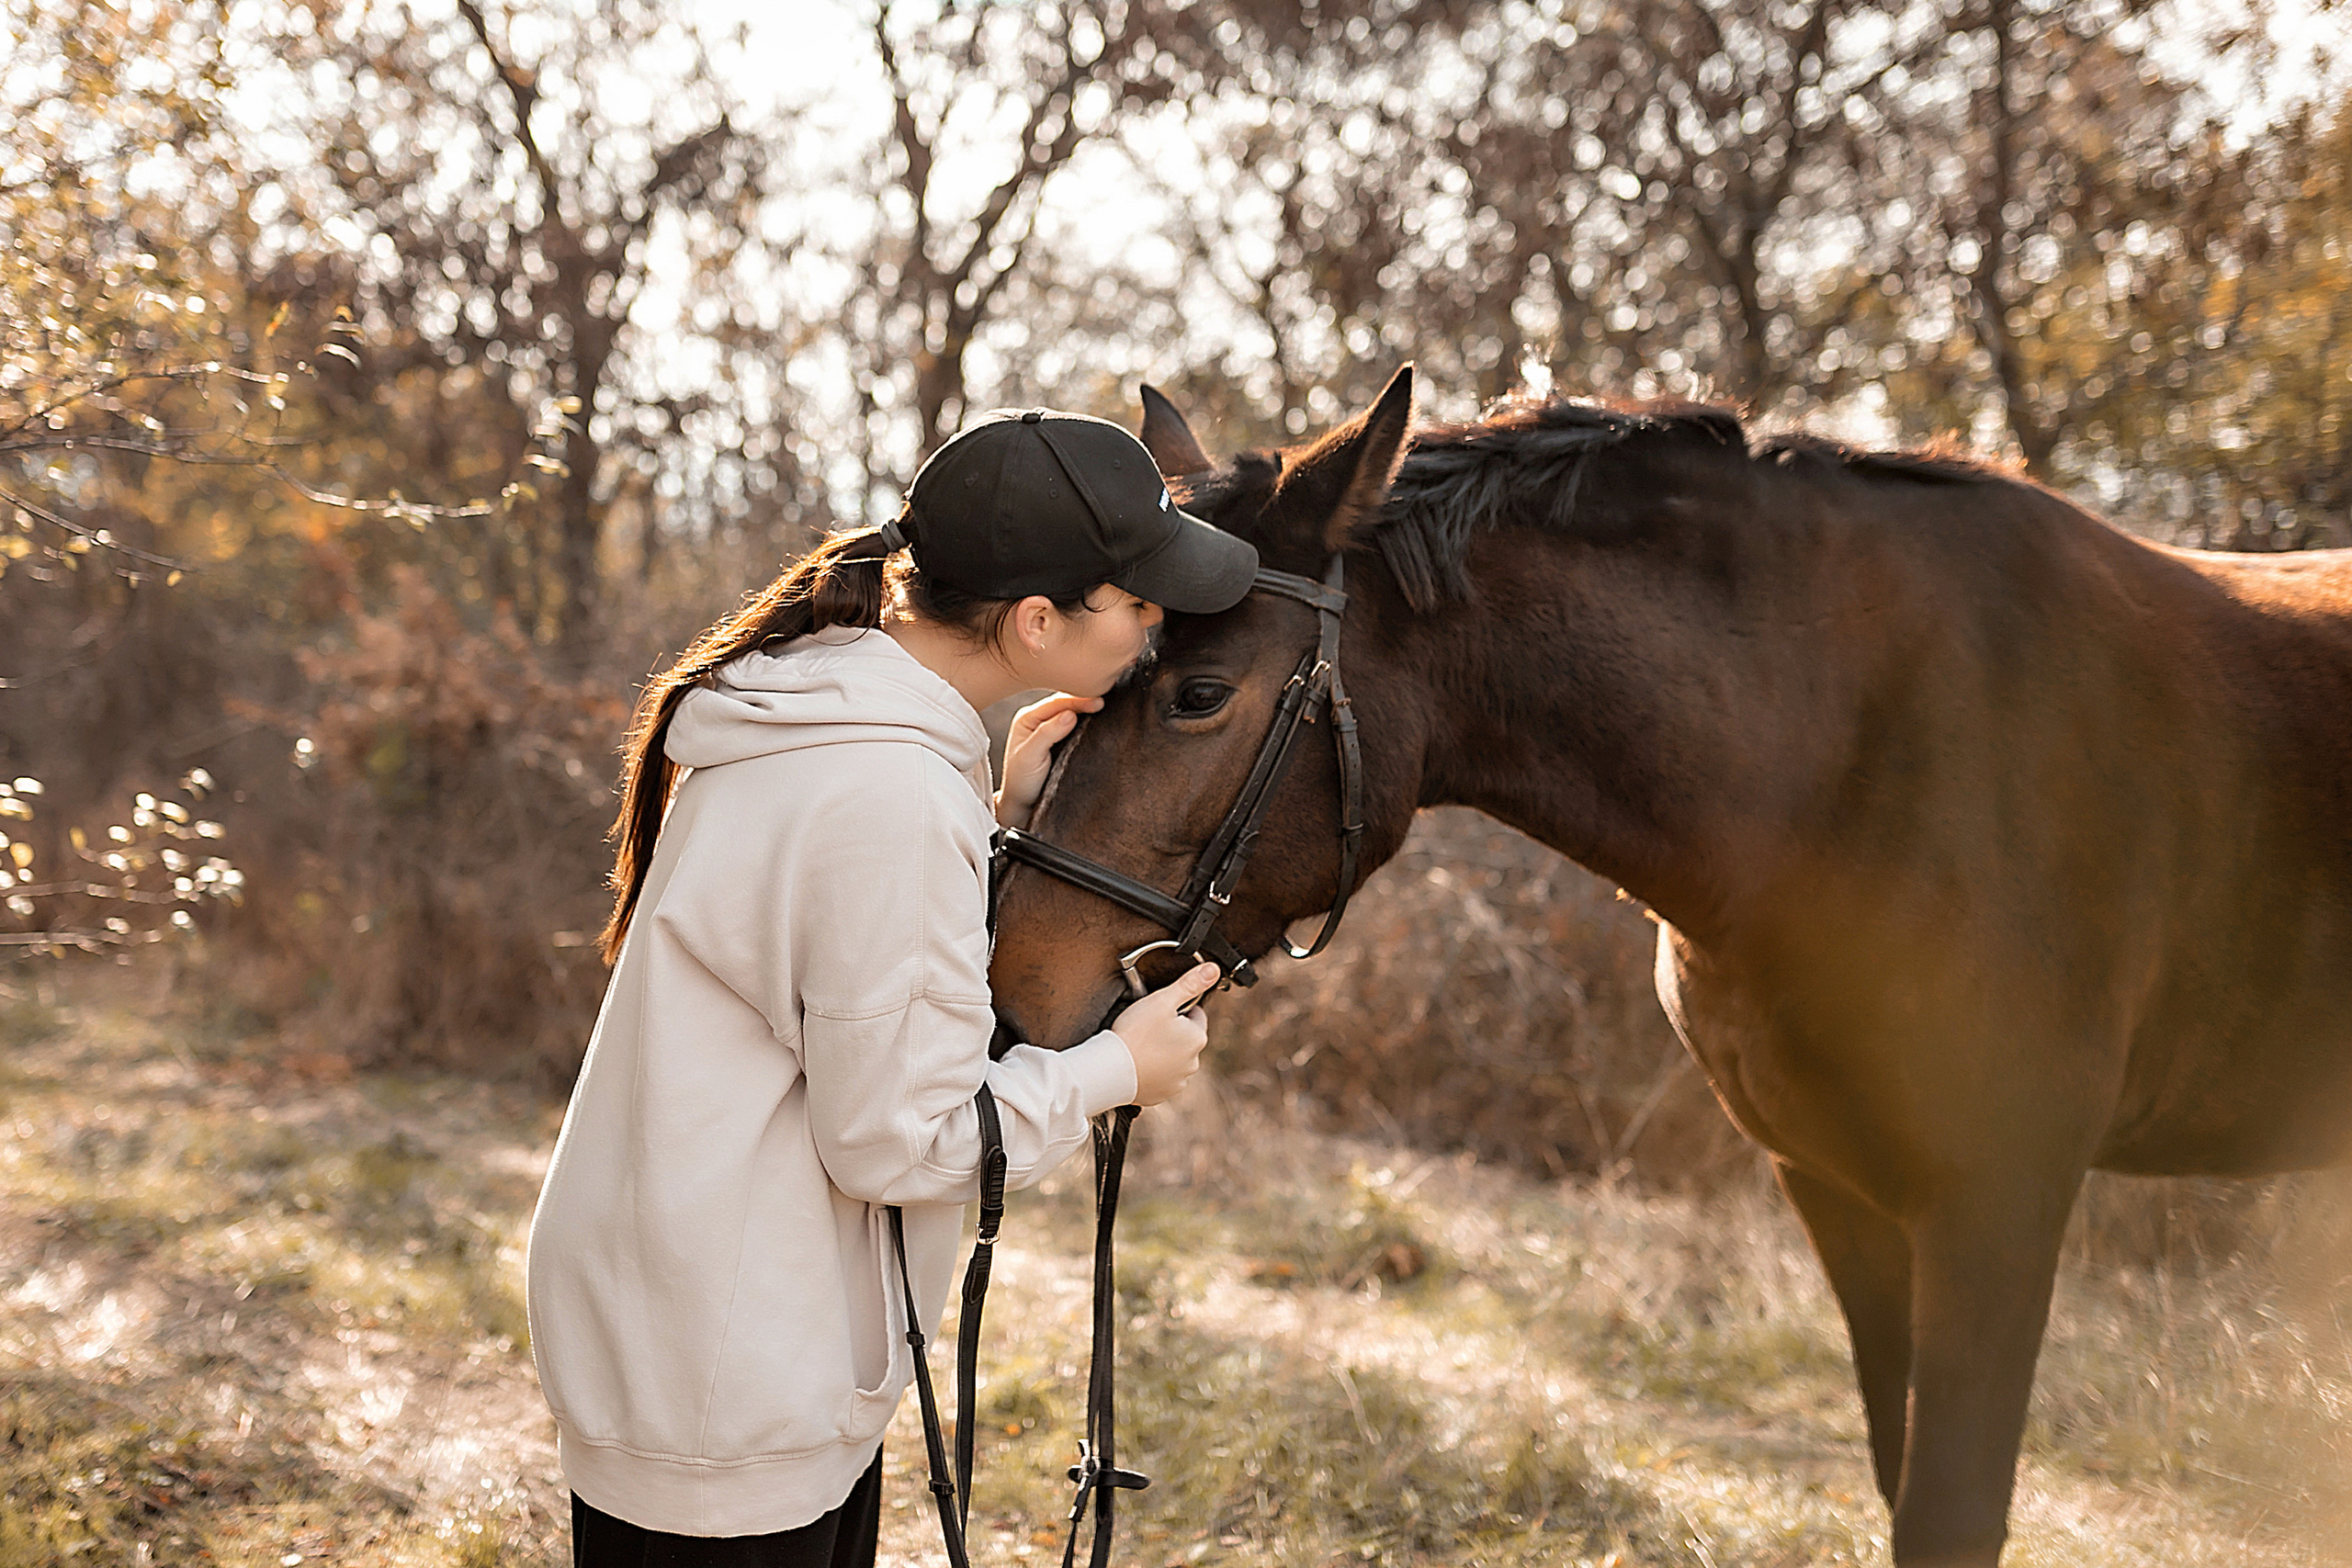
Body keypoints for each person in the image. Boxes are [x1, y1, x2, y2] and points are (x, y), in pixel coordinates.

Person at [526, 407, 1259, 1568]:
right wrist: (1113, 1072)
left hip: (684, 1308)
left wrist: (983, 813)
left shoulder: (811, 705)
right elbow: (898, 1140)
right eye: (1138, 599)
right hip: (735, 1364)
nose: (1158, 627)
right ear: (1033, 621)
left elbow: (818, 947)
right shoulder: (889, 792)